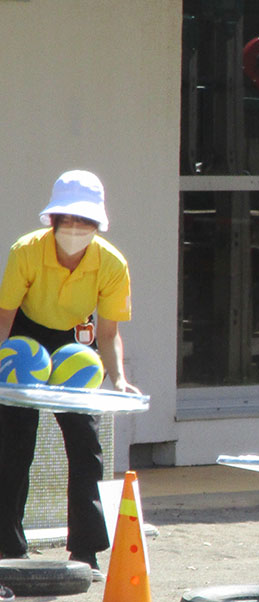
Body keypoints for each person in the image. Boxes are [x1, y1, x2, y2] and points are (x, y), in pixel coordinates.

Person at [0, 170, 139, 581]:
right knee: (12, 443)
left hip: (77, 347)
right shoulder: (25, 251)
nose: (75, 229)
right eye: (67, 220)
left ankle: (86, 551)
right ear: (53, 220)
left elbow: (110, 333)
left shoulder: (113, 263)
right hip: (24, 338)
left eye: (84, 222)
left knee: (86, 446)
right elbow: (5, 316)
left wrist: (118, 379)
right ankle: (8, 548)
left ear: (97, 224)